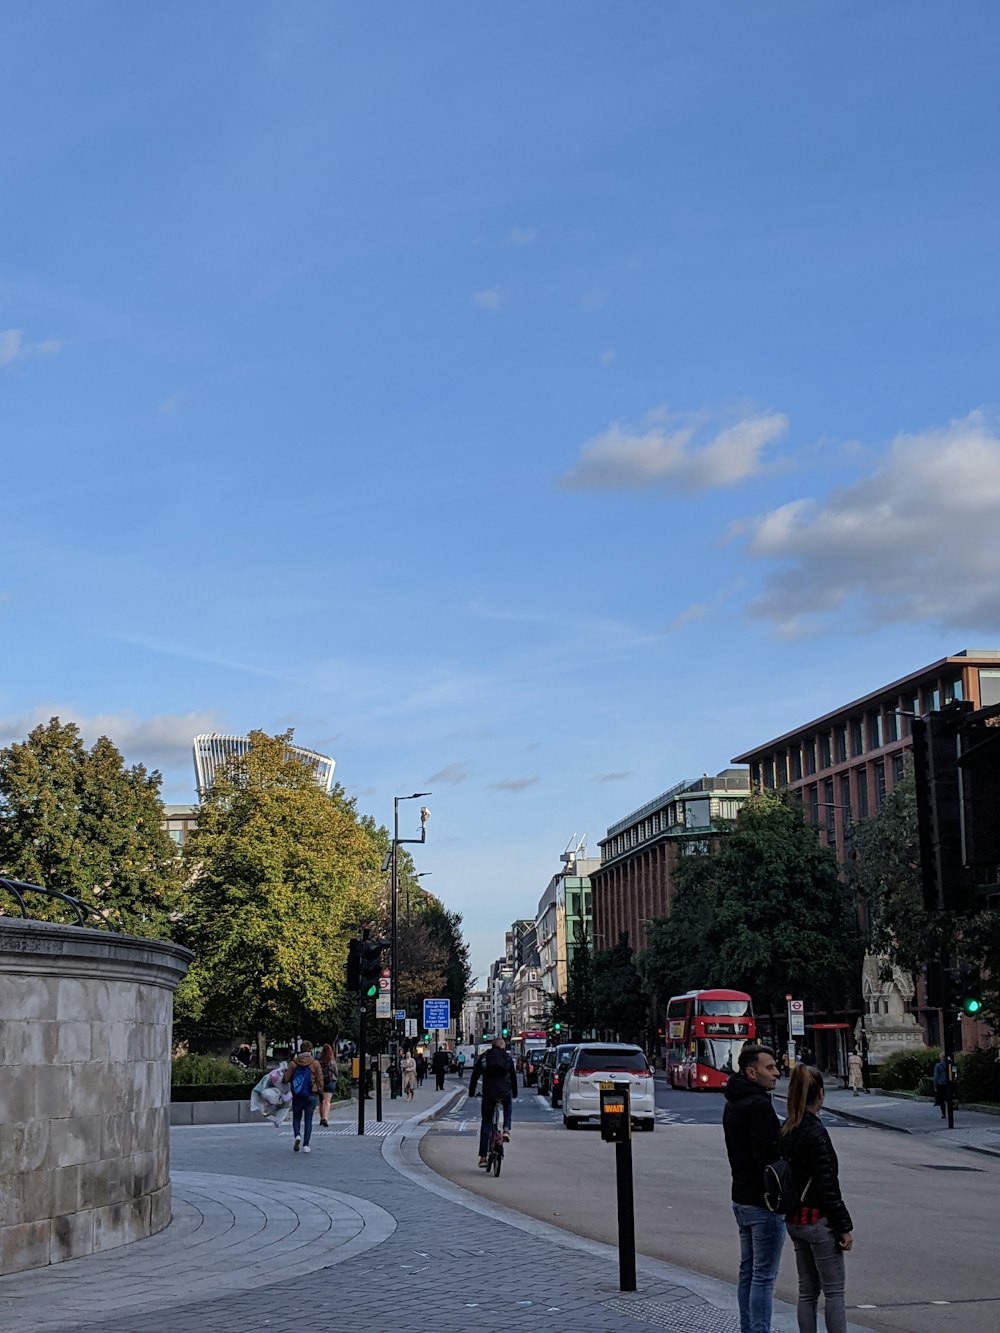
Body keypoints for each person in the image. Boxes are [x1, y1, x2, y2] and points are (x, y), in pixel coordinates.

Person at [780, 1065, 854, 1333]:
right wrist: (843, 1226)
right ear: (820, 1094)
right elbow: (827, 1185)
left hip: (794, 1218)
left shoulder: (787, 1130)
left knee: (807, 1291)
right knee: (834, 1292)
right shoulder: (816, 1133)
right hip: (817, 1219)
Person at [723, 1044, 785, 1333]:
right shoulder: (759, 1105)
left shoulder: (733, 1101)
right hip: (764, 1202)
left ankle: (748, 1328)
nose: (776, 1072)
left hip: (741, 1196)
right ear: (751, 1072)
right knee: (763, 1276)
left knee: (748, 1272)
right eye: (769, 1067)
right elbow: (766, 1156)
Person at [469, 1036, 518, 1169]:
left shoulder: (485, 1058)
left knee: (486, 1122)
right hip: (504, 1092)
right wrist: (515, 1093)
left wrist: (471, 1092)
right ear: (502, 1046)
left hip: (489, 1093)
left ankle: (483, 1157)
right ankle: (506, 1129)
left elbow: (475, 1075)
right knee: (508, 1107)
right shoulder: (507, 1058)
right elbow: (513, 1076)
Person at [282, 1040, 323, 1152]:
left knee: (296, 1117)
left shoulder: (293, 1063)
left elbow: (286, 1079)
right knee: (308, 1120)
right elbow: (320, 1080)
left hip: (297, 1094)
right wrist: (321, 1094)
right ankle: (306, 1145)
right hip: (311, 1095)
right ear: (310, 1050)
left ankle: (297, 1136)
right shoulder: (315, 1063)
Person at [317, 1043, 338, 1126]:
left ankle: (321, 1118)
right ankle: (325, 1118)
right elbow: (336, 1072)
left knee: (321, 1101)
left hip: (321, 1083)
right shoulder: (332, 1062)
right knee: (327, 1101)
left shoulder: (319, 1061)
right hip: (330, 1082)